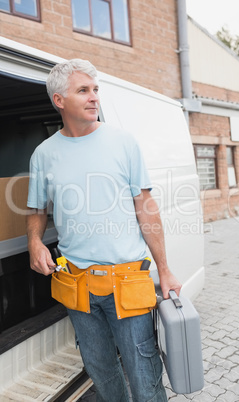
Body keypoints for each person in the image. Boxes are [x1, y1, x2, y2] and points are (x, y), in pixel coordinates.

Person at [26, 59, 182, 402]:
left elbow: (146, 207)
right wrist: (34, 242)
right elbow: (36, 209)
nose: (95, 97)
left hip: (127, 283)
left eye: (96, 90)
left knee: (145, 374)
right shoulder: (43, 155)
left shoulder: (123, 143)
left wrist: (165, 270)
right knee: (100, 370)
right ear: (59, 100)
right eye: (84, 90)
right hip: (77, 286)